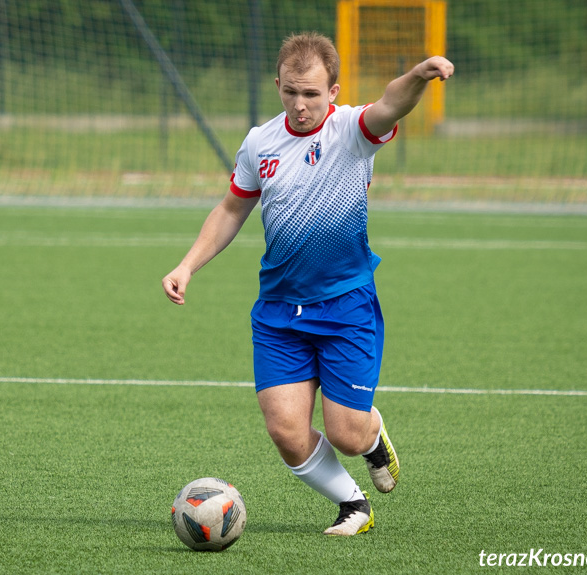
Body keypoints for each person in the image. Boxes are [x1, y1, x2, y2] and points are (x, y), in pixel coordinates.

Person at [162, 31, 453, 536]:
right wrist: (187, 265)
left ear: (334, 91)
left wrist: (419, 77)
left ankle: (372, 435)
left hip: (345, 306)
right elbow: (232, 209)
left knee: (345, 433)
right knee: (287, 433)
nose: (300, 105)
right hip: (279, 311)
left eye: (312, 94)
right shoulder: (260, 142)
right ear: (278, 85)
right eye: (291, 92)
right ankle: (353, 505)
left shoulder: (352, 131)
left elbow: (390, 104)